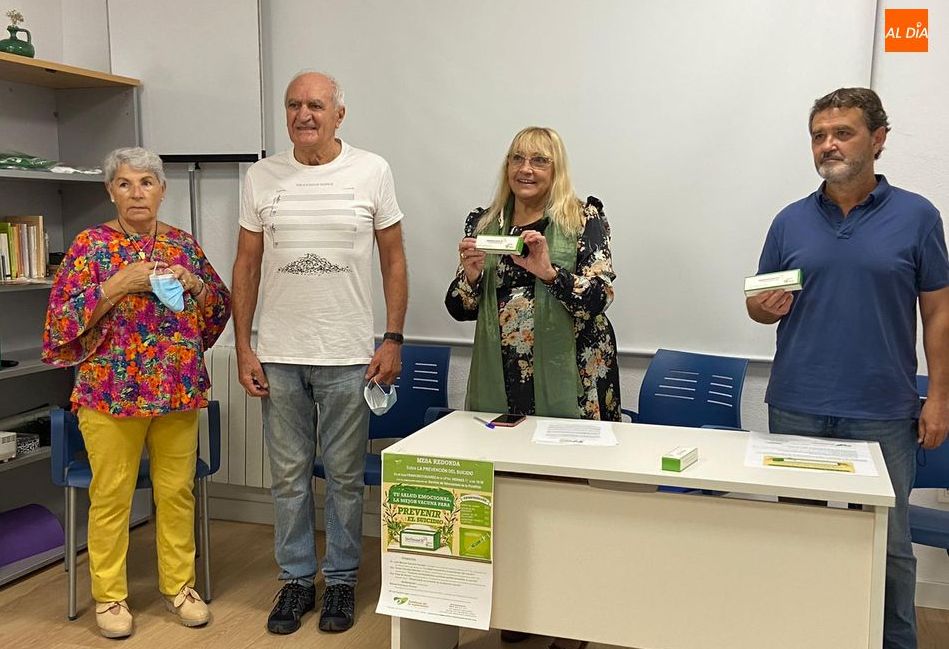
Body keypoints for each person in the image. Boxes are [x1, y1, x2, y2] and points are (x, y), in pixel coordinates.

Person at [747, 88, 949, 649]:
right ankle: (807, 636)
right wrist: (760, 308)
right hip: (797, 406)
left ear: (878, 139)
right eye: (819, 135)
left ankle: (894, 643)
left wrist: (940, 397)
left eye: (843, 133)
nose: (828, 145)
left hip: (882, 411)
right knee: (801, 536)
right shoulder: (789, 221)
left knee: (888, 545)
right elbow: (758, 302)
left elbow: (938, 311)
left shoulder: (918, 216)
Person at [232, 71, 407, 635]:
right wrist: (242, 345)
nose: (303, 114)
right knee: (287, 477)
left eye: (315, 105)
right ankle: (295, 581)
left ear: (339, 114)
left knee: (345, 478)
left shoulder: (371, 171)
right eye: (293, 105)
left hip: (348, 353)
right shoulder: (261, 177)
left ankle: (341, 582)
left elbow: (394, 260)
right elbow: (246, 265)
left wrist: (393, 336)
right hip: (279, 352)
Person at [42, 147, 231, 638]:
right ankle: (109, 598)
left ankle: (180, 588)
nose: (137, 192)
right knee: (111, 497)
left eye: (146, 182)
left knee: (177, 493)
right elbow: (60, 324)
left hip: (177, 390)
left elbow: (216, 312)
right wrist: (115, 285)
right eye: (125, 183)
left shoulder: (183, 245)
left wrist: (197, 286)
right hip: (109, 394)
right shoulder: (90, 246)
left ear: (162, 190)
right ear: (111, 191)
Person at [445, 126, 620, 649]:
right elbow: (459, 307)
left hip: (576, 380)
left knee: (570, 499)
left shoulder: (584, 219)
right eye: (518, 158)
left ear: (555, 168)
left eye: (539, 160)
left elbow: (598, 297)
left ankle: (573, 617)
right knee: (512, 497)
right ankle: (523, 607)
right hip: (506, 383)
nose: (526, 168)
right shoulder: (484, 222)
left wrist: (548, 271)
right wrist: (471, 276)